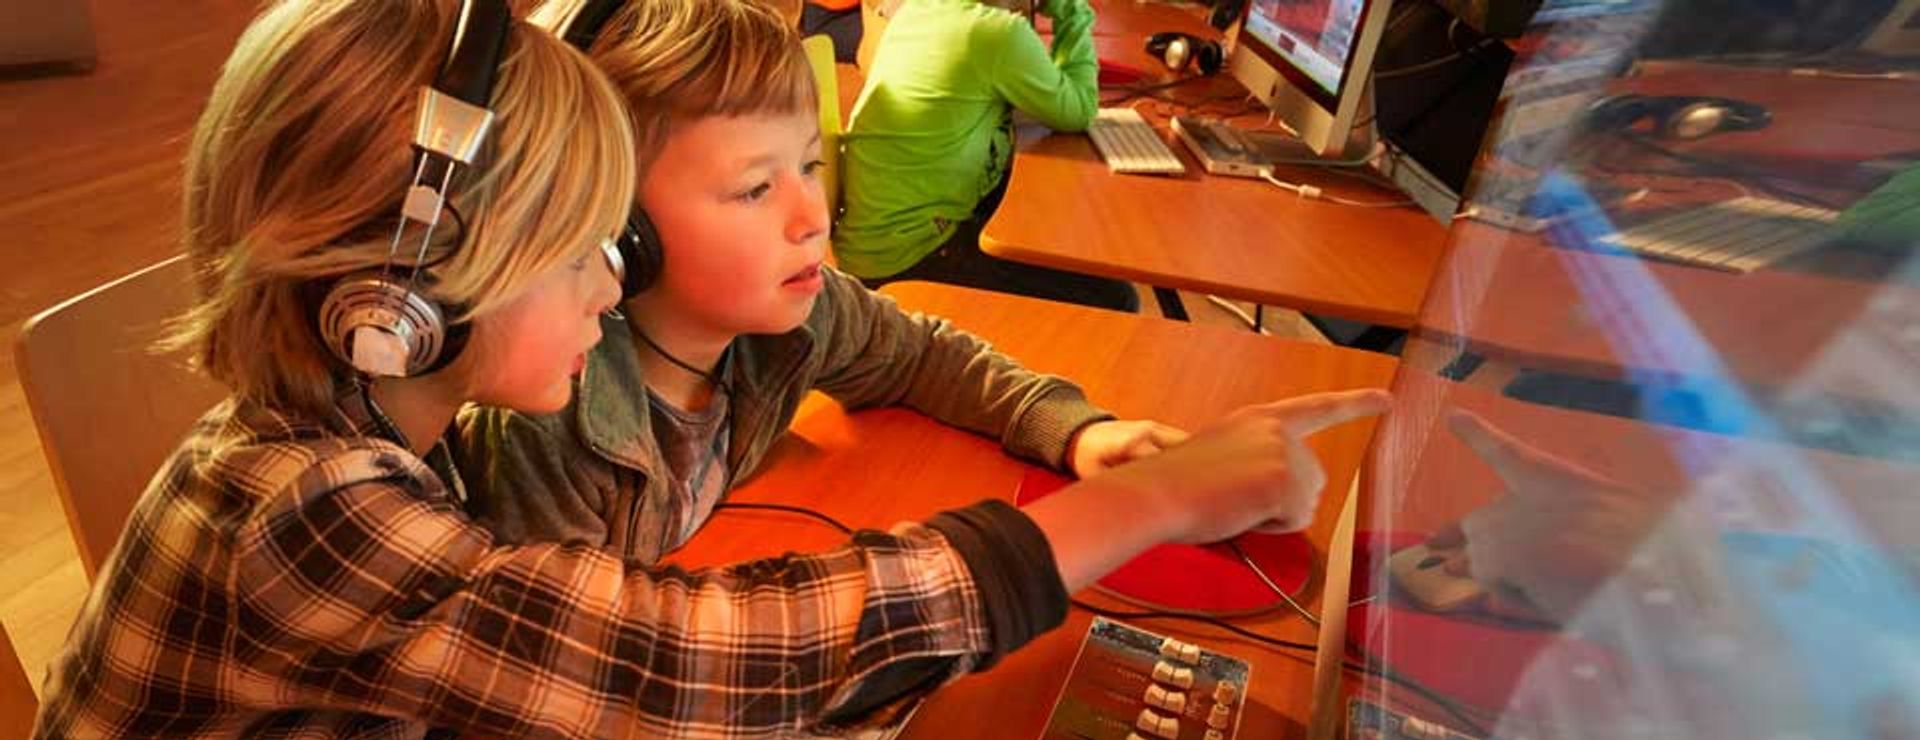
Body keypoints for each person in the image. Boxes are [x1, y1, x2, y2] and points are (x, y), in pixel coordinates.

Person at [443, 0, 1388, 734]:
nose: (811, 217)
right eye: (755, 188)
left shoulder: (796, 317)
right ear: (616, 227)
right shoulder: (548, 423)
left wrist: (1077, 431)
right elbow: (596, 686)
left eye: (810, 166)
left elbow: (924, 355)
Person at [832, 0, 1141, 312]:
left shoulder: (919, 9)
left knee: (1038, 215)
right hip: (912, 256)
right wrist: (1073, 14)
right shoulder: (996, 34)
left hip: (872, 245)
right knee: (1117, 298)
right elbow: (1080, 111)